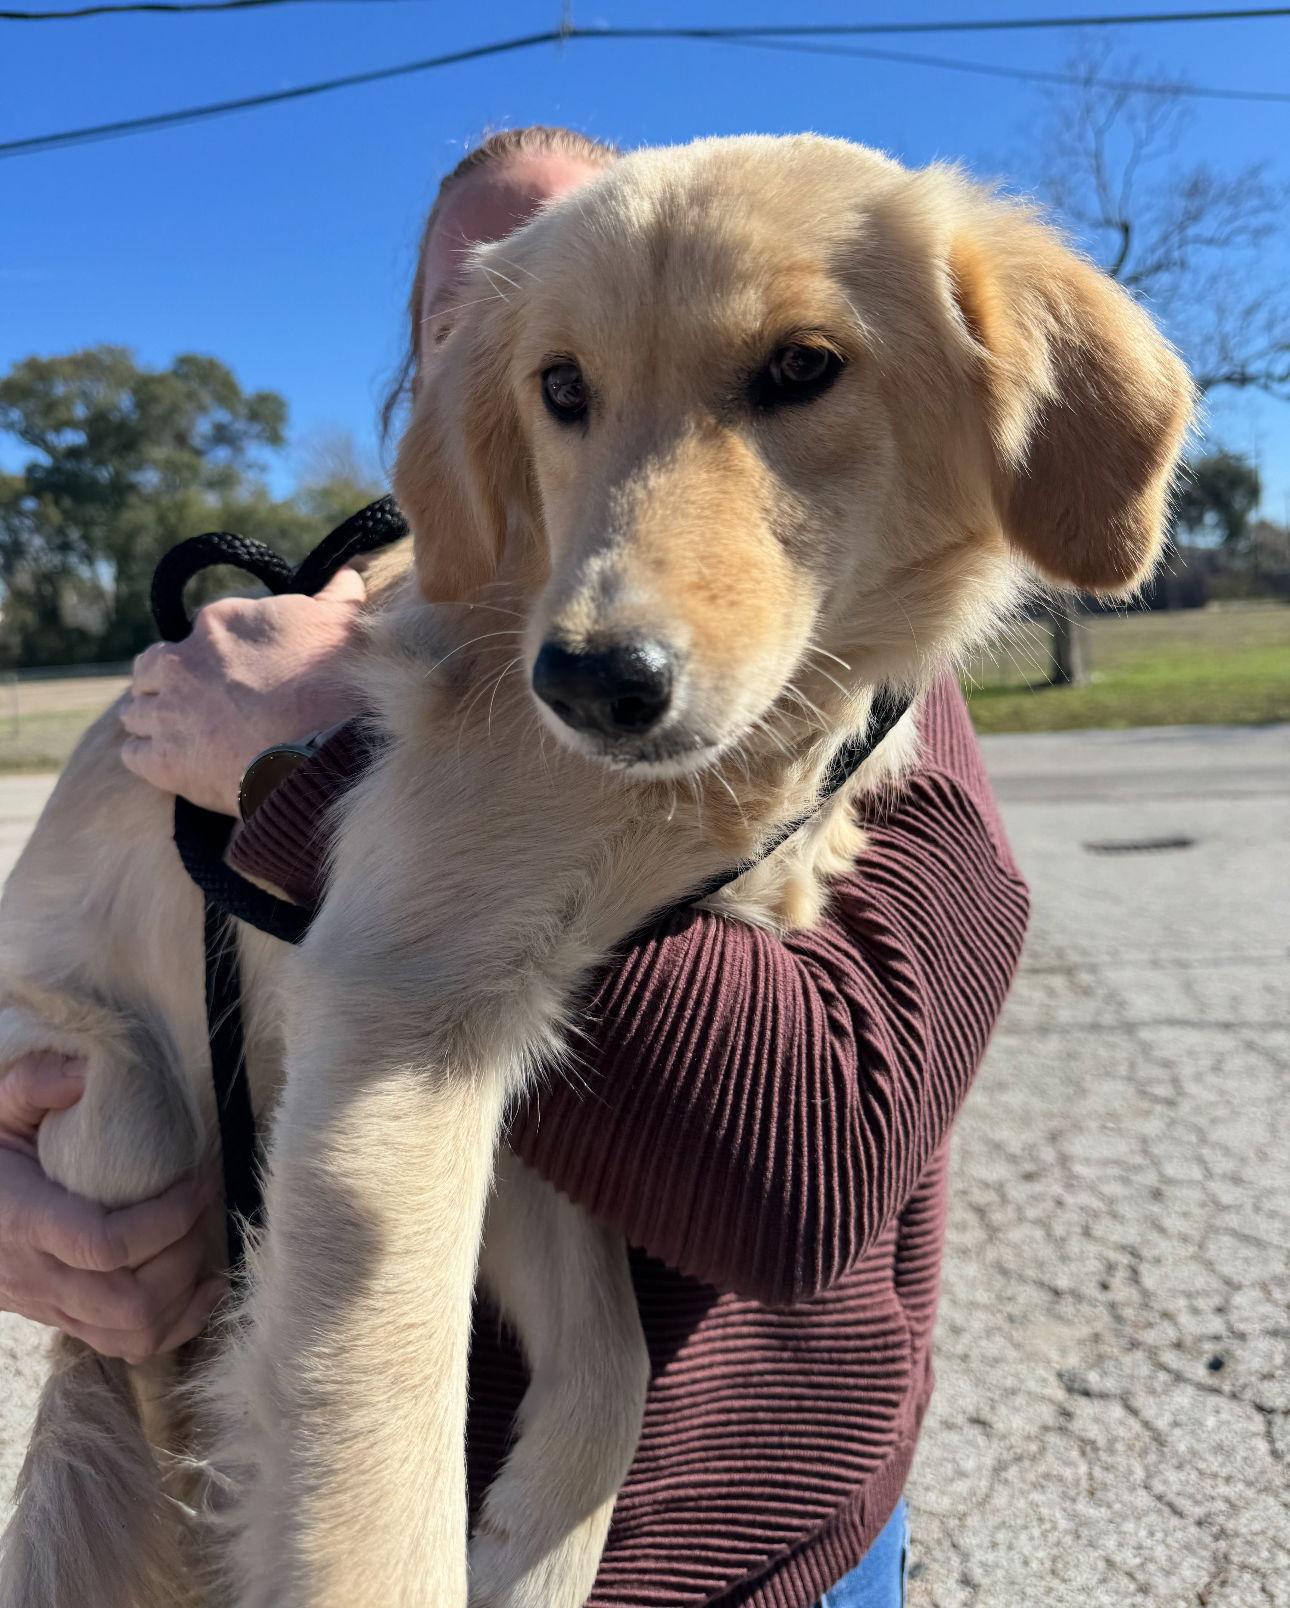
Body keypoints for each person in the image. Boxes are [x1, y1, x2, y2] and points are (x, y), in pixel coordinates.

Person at [1, 128, 1029, 1607]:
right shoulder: (319, 639)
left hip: (741, 1556)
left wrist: (300, 778)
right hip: (298, 1499)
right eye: (550, 371)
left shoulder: (879, 678)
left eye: (775, 365)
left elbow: (804, 1174)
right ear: (446, 383)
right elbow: (81, 974)